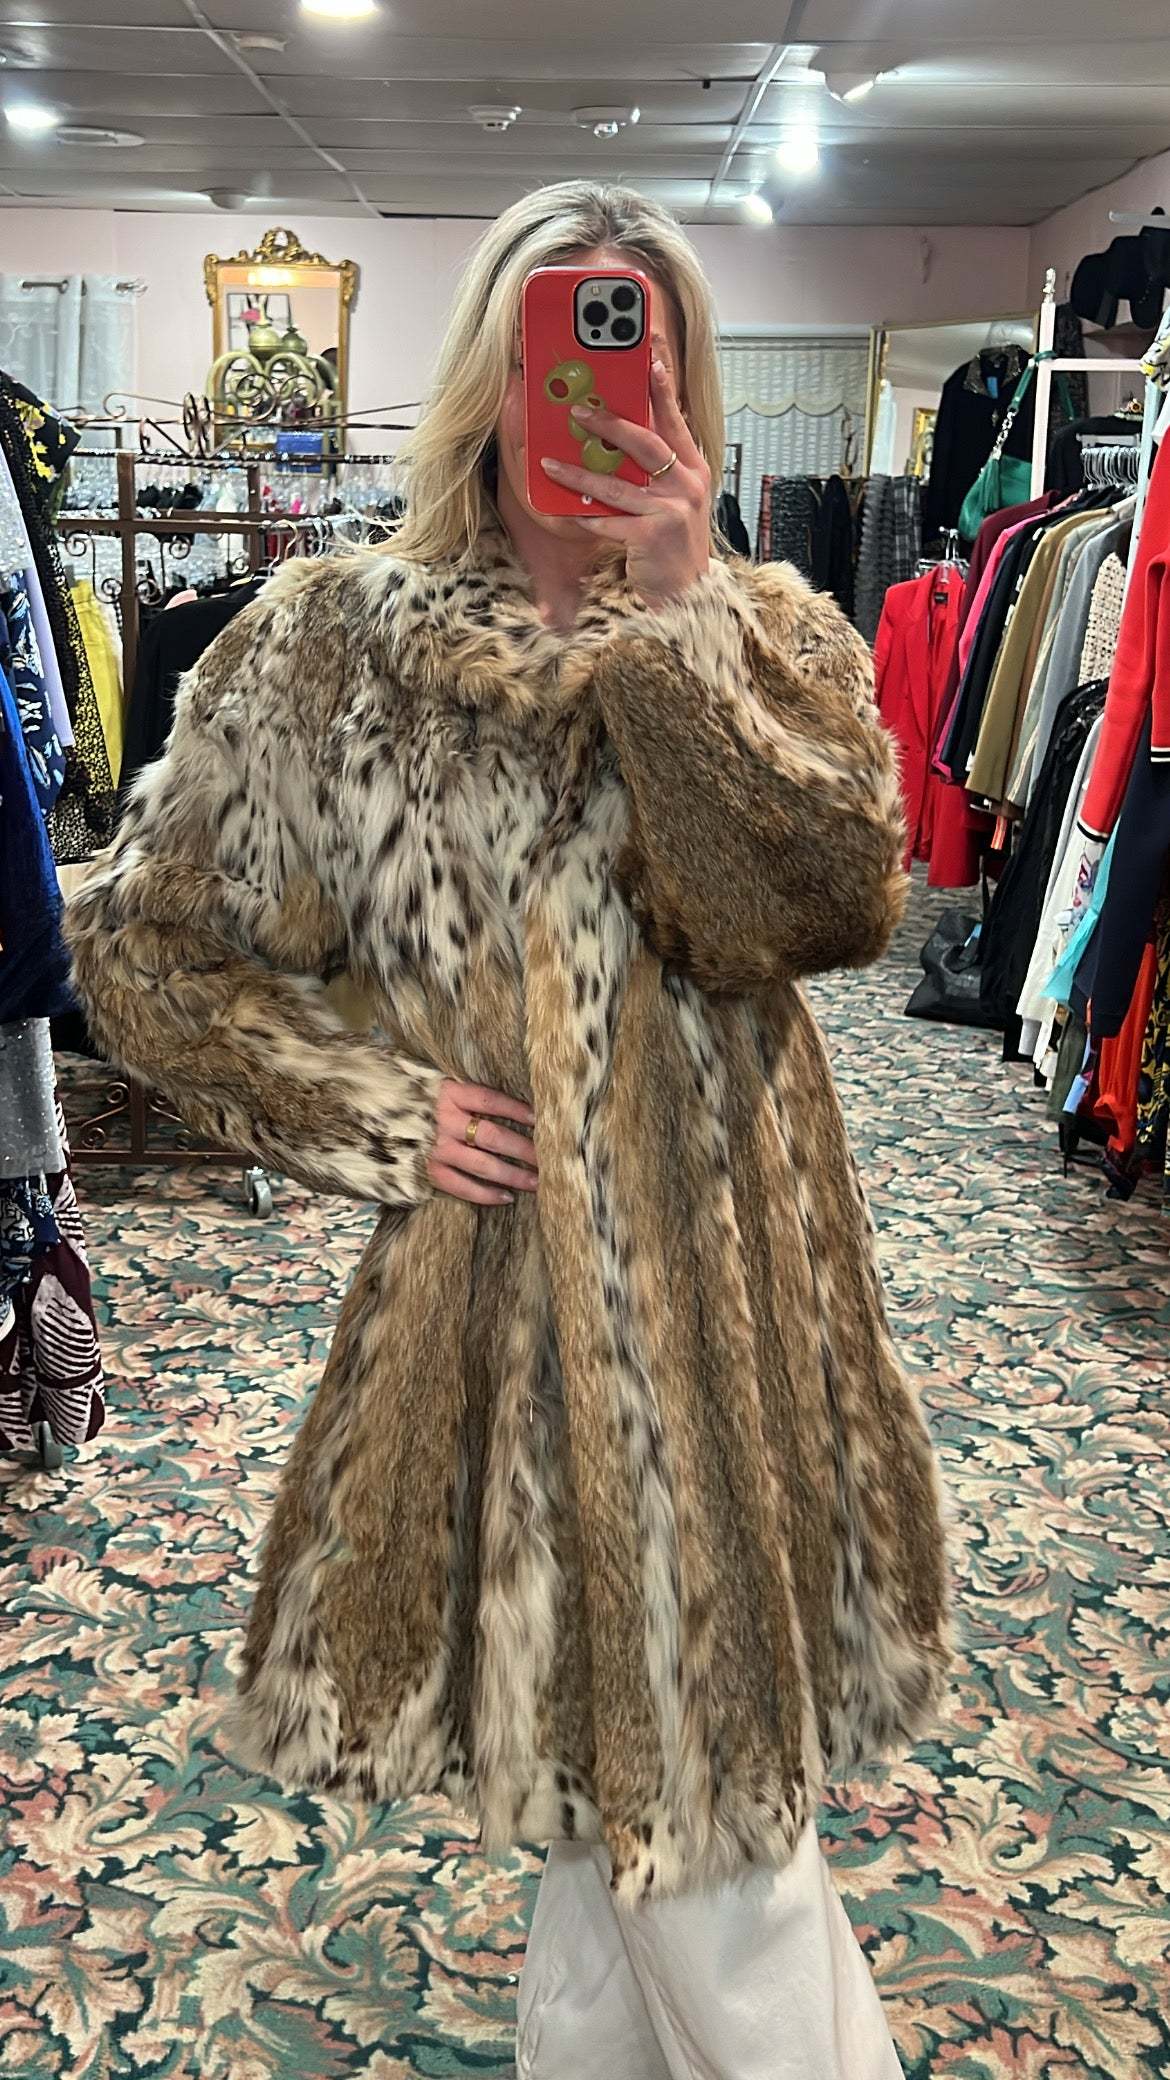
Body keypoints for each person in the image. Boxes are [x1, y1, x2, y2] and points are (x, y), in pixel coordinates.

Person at [68, 181, 951, 2079]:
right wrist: (376, 1108)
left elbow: (826, 911)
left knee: (666, 1820)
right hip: (498, 1302)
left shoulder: (766, 629)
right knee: (672, 1817)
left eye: (643, 342)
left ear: (687, 379)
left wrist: (682, 633)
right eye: (562, 335)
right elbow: (145, 951)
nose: (600, 382)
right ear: (492, 364)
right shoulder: (332, 648)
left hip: (735, 1298)